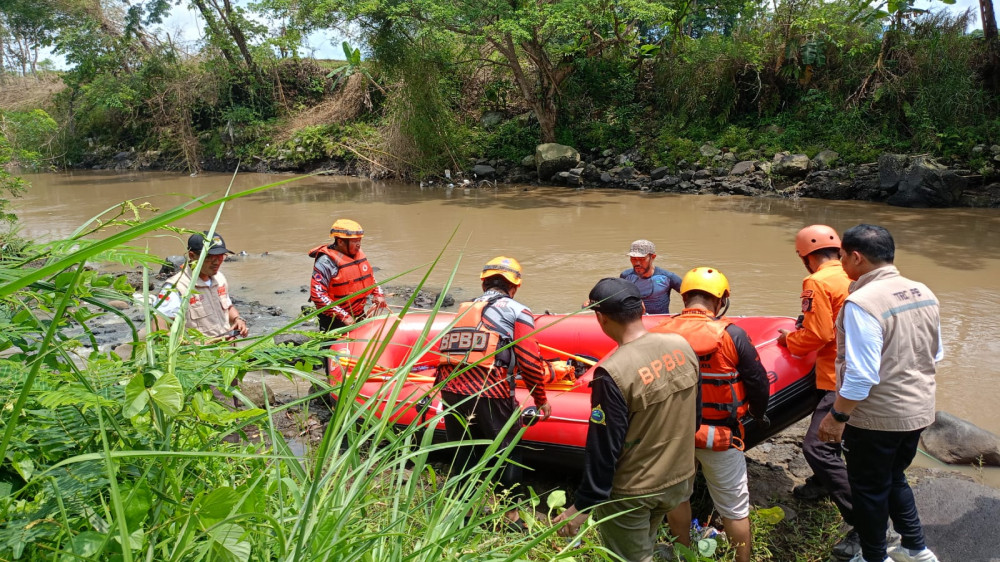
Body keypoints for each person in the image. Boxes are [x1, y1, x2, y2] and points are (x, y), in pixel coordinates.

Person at [817, 224, 943, 562]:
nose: (840, 263)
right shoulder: (922, 291)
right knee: (894, 477)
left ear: (856, 257)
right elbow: (936, 353)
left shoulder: (862, 302)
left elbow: (860, 375)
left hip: (876, 419)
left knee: (869, 491)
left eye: (842, 256)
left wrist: (837, 417)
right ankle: (915, 549)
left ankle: (874, 557)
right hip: (919, 410)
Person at [552, 278, 700, 562]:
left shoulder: (612, 373)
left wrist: (582, 505)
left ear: (600, 318)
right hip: (679, 480)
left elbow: (604, 448)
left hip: (634, 492)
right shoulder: (681, 345)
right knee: (647, 539)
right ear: (643, 307)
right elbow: (695, 416)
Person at [653, 267, 770, 562]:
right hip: (721, 436)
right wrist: (757, 413)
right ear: (721, 301)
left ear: (685, 299)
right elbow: (757, 382)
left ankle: (684, 553)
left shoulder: (659, 333)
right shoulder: (732, 334)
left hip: (673, 435)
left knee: (678, 497)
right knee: (734, 508)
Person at [435, 256, 552, 530]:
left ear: (484, 281)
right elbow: (530, 361)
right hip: (490, 391)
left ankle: (464, 512)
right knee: (506, 453)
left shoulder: (464, 309)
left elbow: (448, 353)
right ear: (515, 286)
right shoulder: (518, 311)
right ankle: (509, 517)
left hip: (451, 391)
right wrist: (541, 399)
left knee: (463, 453)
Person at [776, 225, 857, 559]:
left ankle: (865, 522)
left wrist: (787, 340)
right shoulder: (853, 276)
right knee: (831, 441)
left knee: (816, 447)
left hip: (835, 376)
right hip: (857, 373)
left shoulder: (817, 282)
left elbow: (818, 334)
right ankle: (824, 484)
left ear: (806, 257)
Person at [155, 231, 248, 339]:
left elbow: (227, 307)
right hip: (199, 353)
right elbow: (159, 330)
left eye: (221, 256)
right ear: (192, 256)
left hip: (228, 349)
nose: (217, 262)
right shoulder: (176, 287)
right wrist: (199, 345)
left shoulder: (219, 278)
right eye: (210, 257)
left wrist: (238, 319)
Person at [308, 218, 386, 332]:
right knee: (333, 348)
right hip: (334, 318)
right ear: (340, 242)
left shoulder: (357, 254)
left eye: (359, 240)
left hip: (358, 313)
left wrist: (378, 293)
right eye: (355, 241)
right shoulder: (326, 262)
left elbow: (369, 277)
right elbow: (317, 294)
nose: (359, 244)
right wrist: (343, 315)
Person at [619, 239, 683, 314]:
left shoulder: (668, 277)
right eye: (633, 259)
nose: (637, 263)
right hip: (636, 322)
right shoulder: (626, 276)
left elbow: (691, 296)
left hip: (660, 321)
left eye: (642, 259)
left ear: (653, 257)